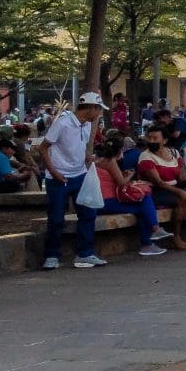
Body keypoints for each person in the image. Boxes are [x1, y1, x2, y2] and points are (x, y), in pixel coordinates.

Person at [39, 94, 107, 270]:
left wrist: (88, 158)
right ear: (91, 108)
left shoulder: (87, 125)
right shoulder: (62, 123)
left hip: (80, 175)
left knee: (88, 213)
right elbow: (43, 148)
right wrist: (54, 172)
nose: (99, 114)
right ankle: (52, 255)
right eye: (98, 109)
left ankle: (85, 253)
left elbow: (81, 146)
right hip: (58, 177)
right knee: (56, 218)